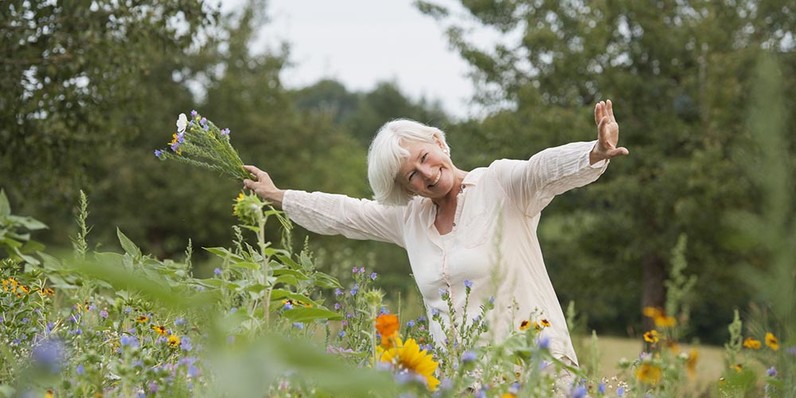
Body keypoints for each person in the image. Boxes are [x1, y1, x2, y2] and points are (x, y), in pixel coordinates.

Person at [243, 99, 628, 380]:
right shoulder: (409, 220)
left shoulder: (501, 184)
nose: (426, 173)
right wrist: (279, 196)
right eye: (411, 175)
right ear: (403, 188)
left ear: (439, 142)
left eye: (426, 156)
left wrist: (593, 153)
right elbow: (347, 213)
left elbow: (542, 170)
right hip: (466, 382)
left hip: (534, 370)